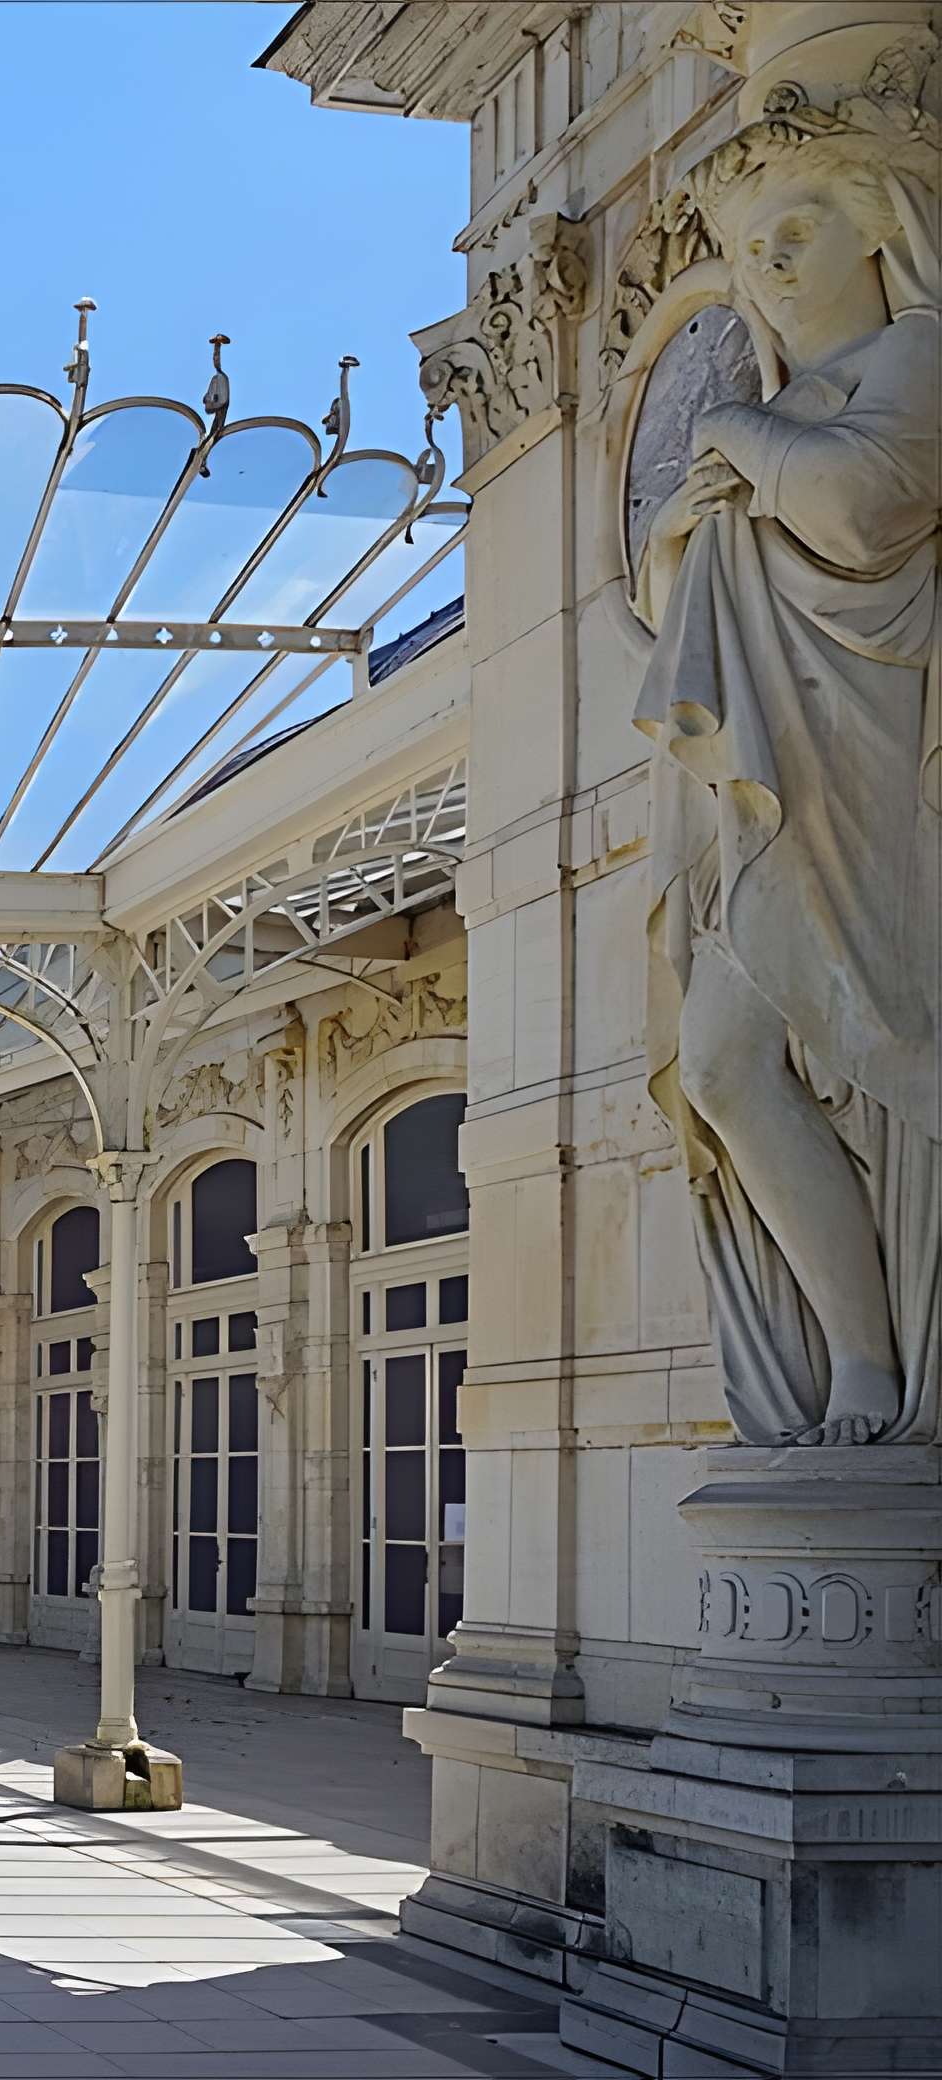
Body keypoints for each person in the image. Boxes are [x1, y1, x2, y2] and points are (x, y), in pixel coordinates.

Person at [635, 52, 941, 1447]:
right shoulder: (768, 405)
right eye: (749, 250)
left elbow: (871, 513)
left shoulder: (915, 355)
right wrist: (690, 517)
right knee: (719, 1069)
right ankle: (862, 1357)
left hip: (874, 753)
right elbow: (680, 615)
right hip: (776, 770)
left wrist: (742, 437)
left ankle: (885, 1366)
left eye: (793, 230)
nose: (765, 262)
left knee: (846, 1042)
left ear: (878, 224)